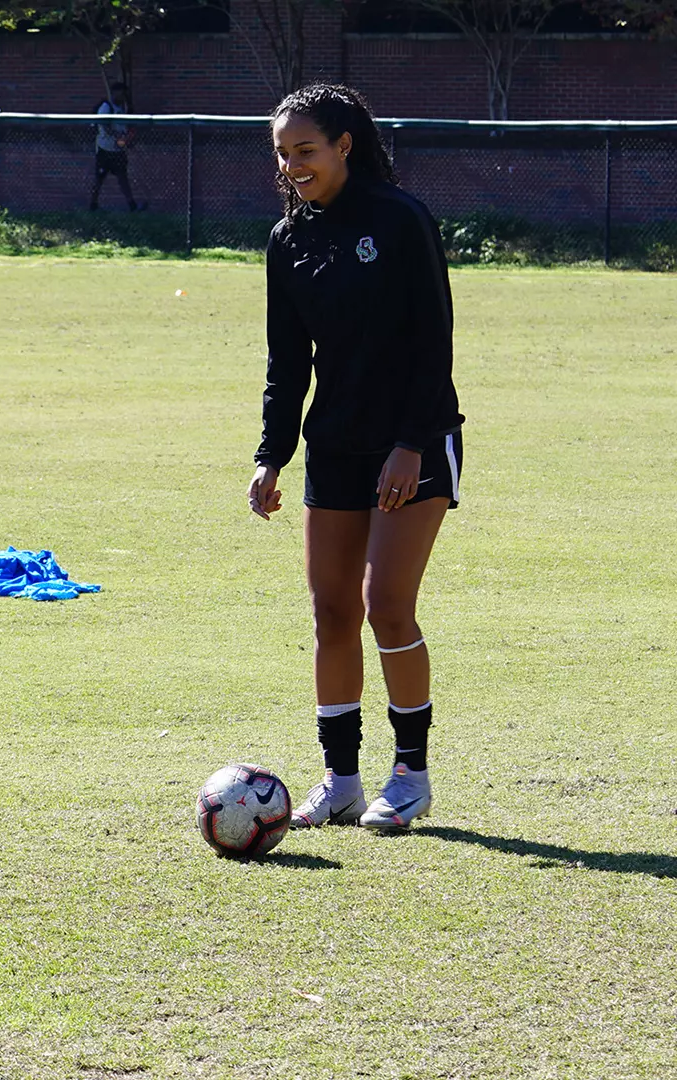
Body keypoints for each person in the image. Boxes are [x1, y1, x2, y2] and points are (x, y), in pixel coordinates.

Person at [248, 84, 463, 832]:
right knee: (331, 611)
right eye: (282, 153)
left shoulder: (400, 220)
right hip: (334, 444)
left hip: (414, 440)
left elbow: (433, 342)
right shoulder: (289, 239)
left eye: (305, 149)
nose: (292, 164)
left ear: (344, 144)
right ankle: (340, 779)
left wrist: (410, 445)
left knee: (385, 606)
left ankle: (411, 774)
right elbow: (287, 359)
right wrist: (273, 454)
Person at [90, 81, 140, 213]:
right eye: (121, 94)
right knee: (99, 179)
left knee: (123, 178)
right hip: (104, 150)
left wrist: (127, 139)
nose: (123, 96)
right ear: (114, 93)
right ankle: (93, 205)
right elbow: (104, 126)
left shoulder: (122, 109)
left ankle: (132, 206)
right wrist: (117, 136)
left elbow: (126, 127)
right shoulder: (106, 107)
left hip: (118, 150)